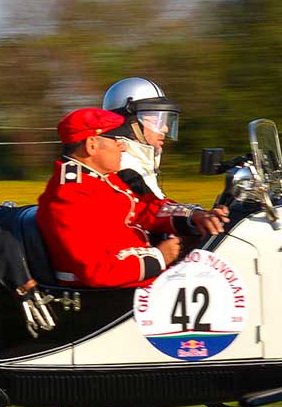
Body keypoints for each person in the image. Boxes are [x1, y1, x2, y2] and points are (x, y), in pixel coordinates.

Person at [36, 108, 181, 287]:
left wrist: (189, 218)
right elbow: (97, 271)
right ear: (92, 145)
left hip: (138, 282)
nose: (124, 146)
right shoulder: (69, 196)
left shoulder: (98, 177)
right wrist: (160, 256)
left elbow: (140, 210)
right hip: (114, 294)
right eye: (116, 140)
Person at [102, 75, 228, 237]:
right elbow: (148, 211)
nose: (166, 129)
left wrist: (198, 215)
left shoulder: (140, 162)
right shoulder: (124, 167)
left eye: (166, 120)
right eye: (156, 120)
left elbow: (158, 209)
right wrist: (193, 216)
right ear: (129, 123)